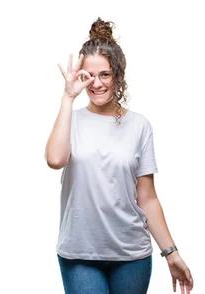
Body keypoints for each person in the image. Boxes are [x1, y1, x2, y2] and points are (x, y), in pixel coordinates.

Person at [45, 18, 193, 294]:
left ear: (118, 75)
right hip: (79, 254)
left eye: (105, 74)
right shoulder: (71, 120)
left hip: (132, 256)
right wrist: (67, 97)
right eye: (89, 75)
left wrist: (171, 253)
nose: (96, 83)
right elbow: (54, 160)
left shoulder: (139, 126)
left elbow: (147, 198)